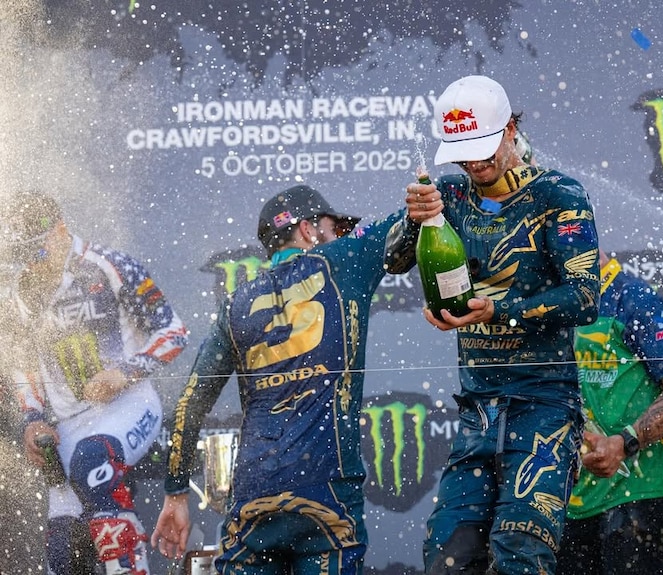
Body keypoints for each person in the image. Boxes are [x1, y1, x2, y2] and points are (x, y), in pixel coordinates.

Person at [390, 75, 601, 575]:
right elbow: (396, 260)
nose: (474, 162)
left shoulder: (558, 194)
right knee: (445, 560)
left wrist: (499, 311)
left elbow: (586, 296)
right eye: (462, 151)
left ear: (510, 130)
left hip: (544, 407)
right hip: (476, 413)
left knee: (519, 555)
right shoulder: (449, 193)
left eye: (482, 147)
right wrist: (414, 222)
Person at [151, 184, 414, 575]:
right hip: (327, 495)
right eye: (331, 229)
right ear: (308, 231)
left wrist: (175, 493)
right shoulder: (343, 259)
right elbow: (412, 221)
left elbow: (190, 405)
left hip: (254, 499)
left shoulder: (236, 303)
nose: (338, 237)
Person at [0, 190, 189, 575]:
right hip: (67, 426)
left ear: (60, 231)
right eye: (22, 257)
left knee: (91, 461)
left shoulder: (108, 265)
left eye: (37, 254)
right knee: (62, 552)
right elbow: (20, 367)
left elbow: (173, 332)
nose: (31, 267)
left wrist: (124, 374)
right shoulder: (18, 293)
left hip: (129, 406)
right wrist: (32, 418)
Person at [555, 248, 663, 575]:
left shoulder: (633, 298)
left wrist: (624, 443)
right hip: (574, 501)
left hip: (638, 495)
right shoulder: (559, 305)